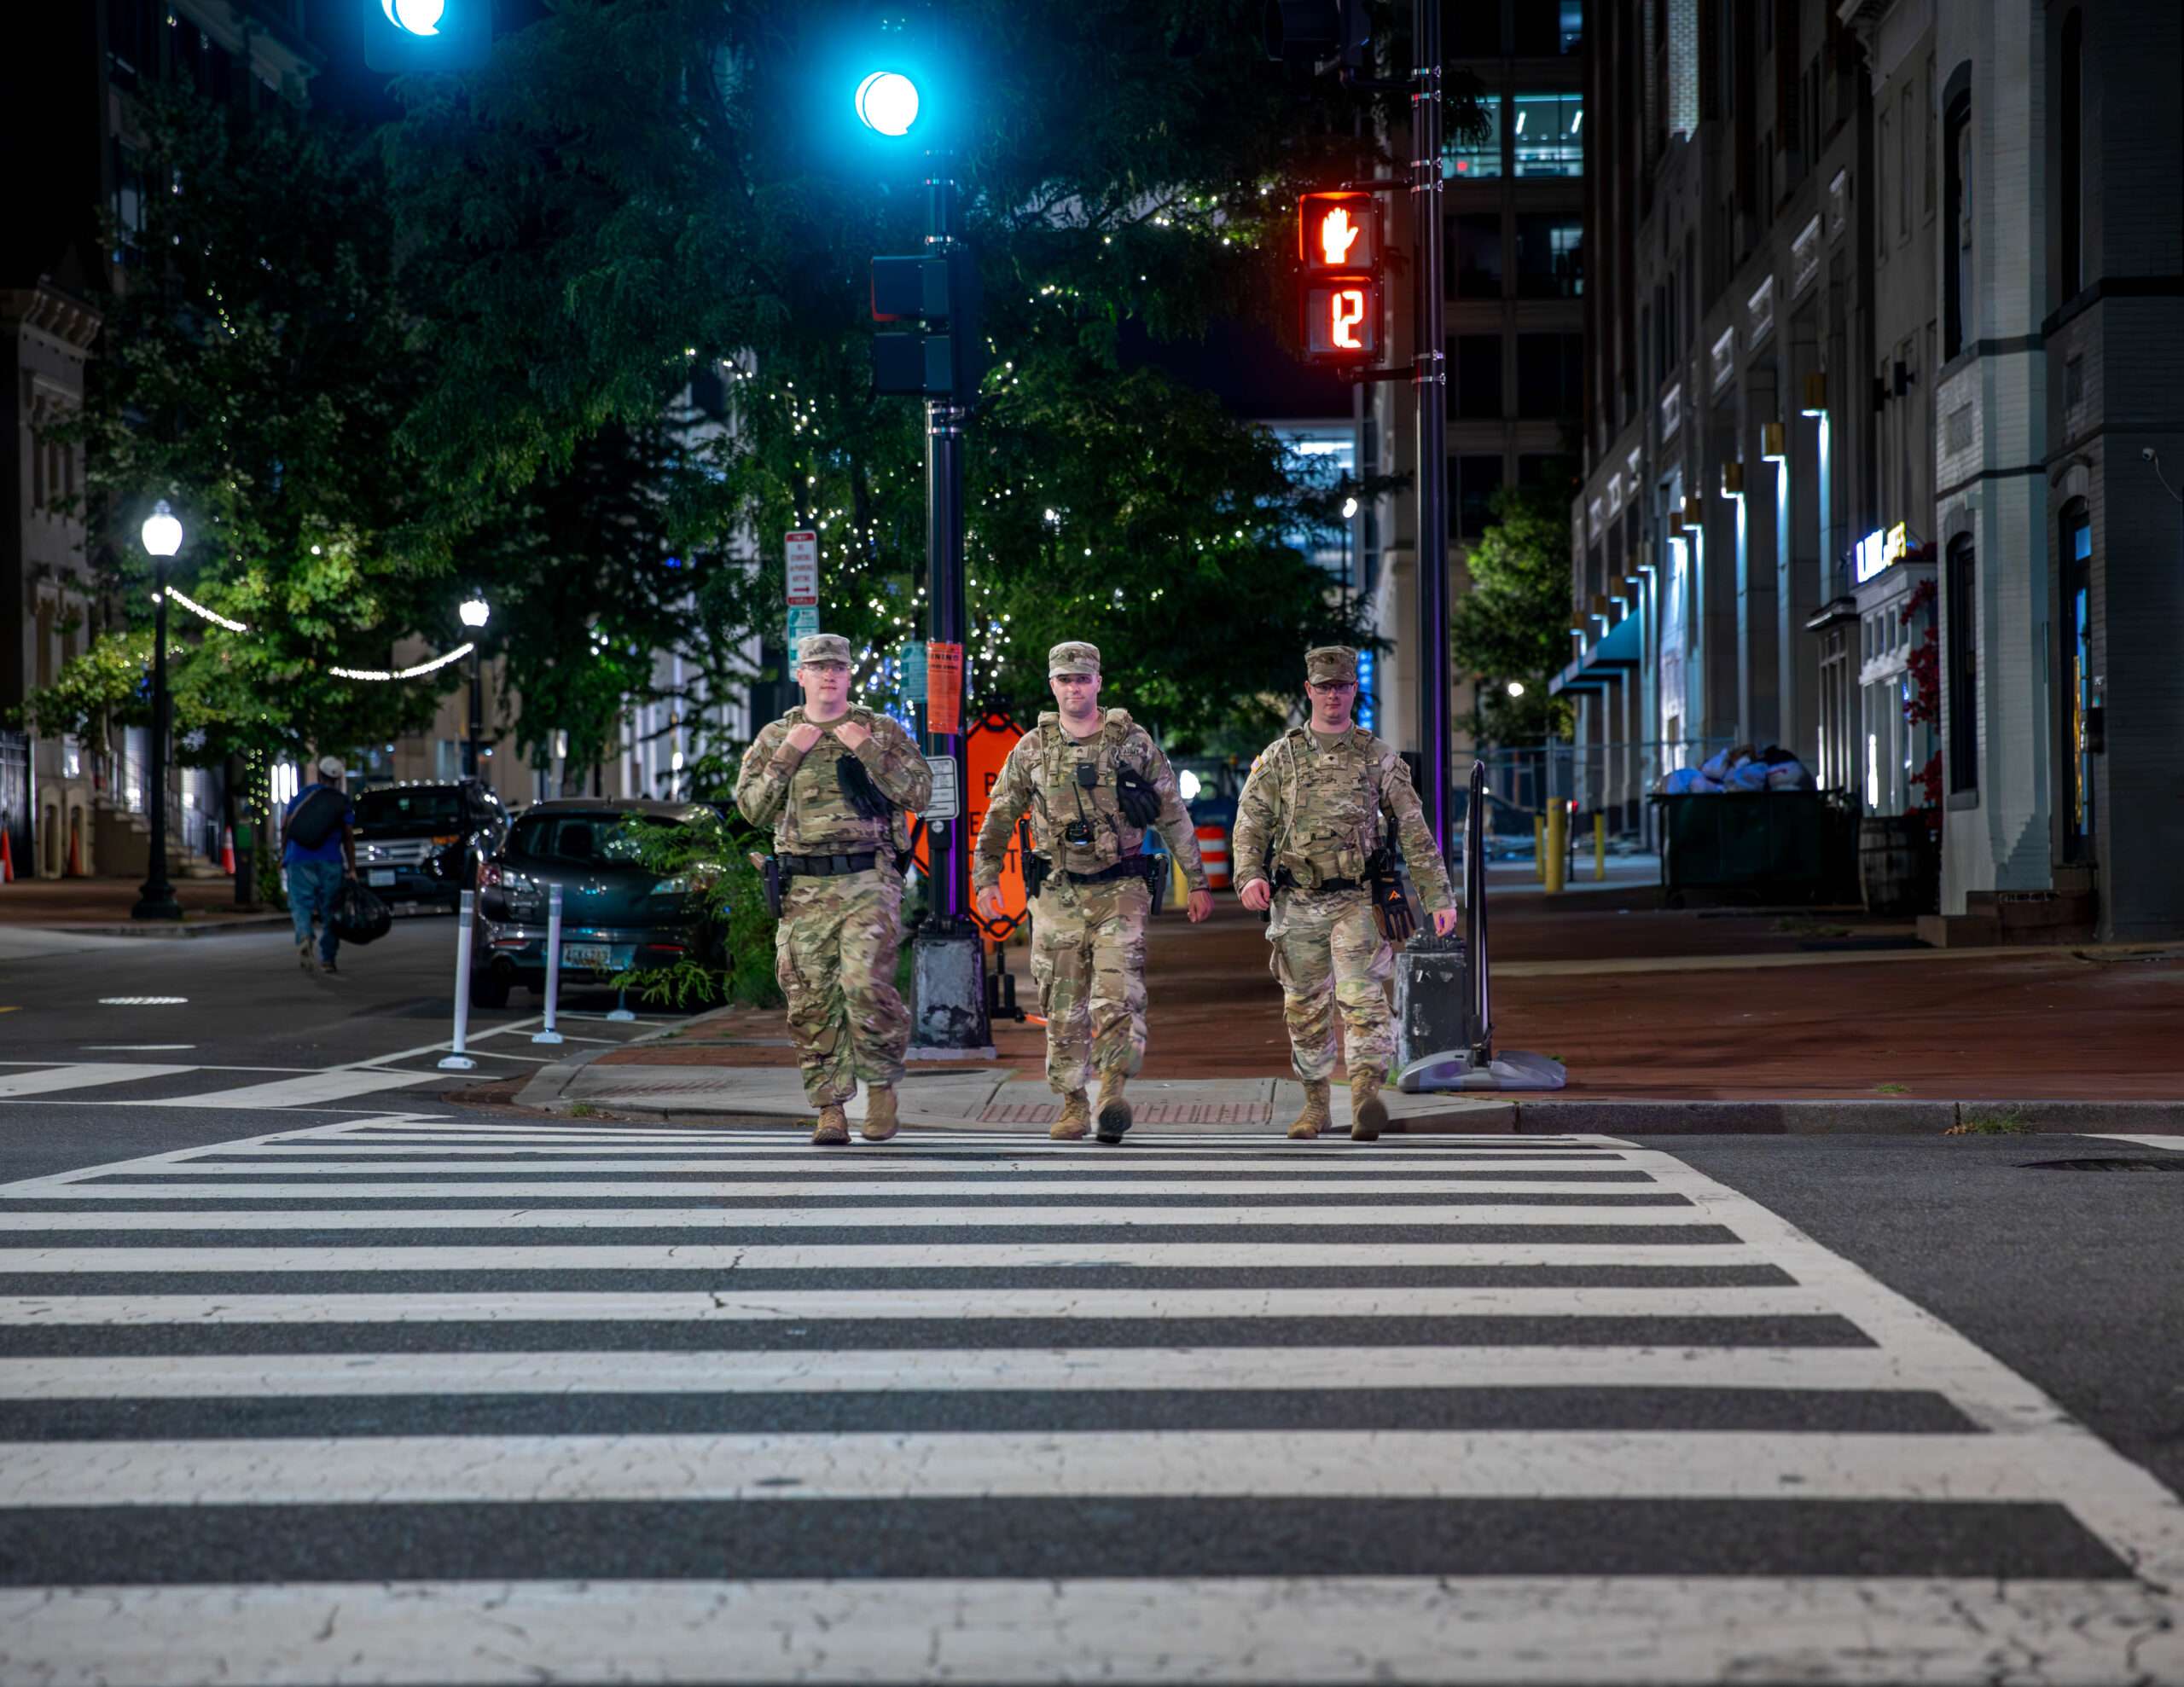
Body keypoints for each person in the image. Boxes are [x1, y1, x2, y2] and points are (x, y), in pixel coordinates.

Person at [973, 641, 1212, 1143]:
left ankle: (1112, 1092)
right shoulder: (1032, 749)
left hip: (1121, 886)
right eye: (1064, 679)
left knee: (1118, 996)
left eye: (1082, 679)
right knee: (1062, 1004)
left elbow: (1172, 812)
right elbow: (997, 818)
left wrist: (1198, 879)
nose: (1073, 687)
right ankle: (1072, 1103)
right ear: (1053, 685)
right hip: (1057, 892)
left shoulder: (1132, 743)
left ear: (1098, 683)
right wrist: (987, 878)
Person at [1232, 646, 1458, 1140]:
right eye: (1324, 687)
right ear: (1309, 691)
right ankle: (1315, 1106)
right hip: (1297, 902)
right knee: (1305, 1005)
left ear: (1354, 690)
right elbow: (1251, 823)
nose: (1333, 696)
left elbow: (1414, 832)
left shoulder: (1378, 757)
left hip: (1358, 899)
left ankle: (1364, 1100)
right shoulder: (1280, 757)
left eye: (1342, 687)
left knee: (1362, 1001)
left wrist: (1438, 897)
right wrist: (1249, 875)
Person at [735, 633, 932, 1146]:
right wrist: (787, 756)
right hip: (802, 885)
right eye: (817, 667)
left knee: (865, 985)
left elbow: (920, 792)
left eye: (837, 668)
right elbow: (751, 809)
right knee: (810, 1000)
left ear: (848, 675)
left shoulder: (878, 730)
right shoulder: (777, 735)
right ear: (800, 675)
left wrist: (863, 749)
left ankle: (882, 1084)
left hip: (868, 877)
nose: (828, 675)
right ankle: (830, 1109)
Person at [282, 754, 357, 976]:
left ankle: (304, 935)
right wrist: (352, 868)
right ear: (338, 778)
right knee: (331, 911)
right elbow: (348, 837)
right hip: (330, 862)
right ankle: (328, 959)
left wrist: (283, 856)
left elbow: (286, 825)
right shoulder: (341, 802)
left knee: (300, 905)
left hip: (298, 858)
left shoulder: (304, 795)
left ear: (319, 774)